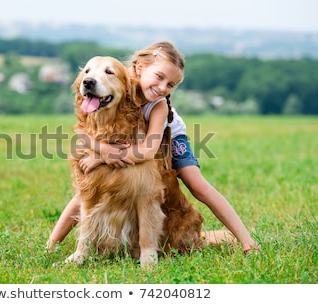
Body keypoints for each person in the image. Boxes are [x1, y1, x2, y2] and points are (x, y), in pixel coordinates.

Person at [47, 41, 260, 255]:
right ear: (140, 68)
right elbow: (85, 131)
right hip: (130, 139)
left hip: (168, 138)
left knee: (197, 185)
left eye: (170, 85)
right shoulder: (115, 82)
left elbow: (148, 150)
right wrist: (101, 152)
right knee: (89, 188)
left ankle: (247, 241)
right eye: (159, 77)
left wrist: (103, 156)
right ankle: (51, 244)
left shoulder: (158, 104)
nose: (162, 88)